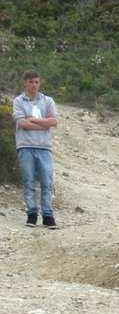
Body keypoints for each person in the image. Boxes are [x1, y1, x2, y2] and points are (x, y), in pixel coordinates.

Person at [13, 70, 59, 229]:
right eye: (31, 82)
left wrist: (33, 120)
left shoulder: (48, 101)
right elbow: (22, 124)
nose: (34, 85)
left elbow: (53, 121)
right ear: (25, 83)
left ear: (40, 83)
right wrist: (42, 124)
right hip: (25, 146)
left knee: (47, 180)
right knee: (29, 180)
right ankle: (31, 214)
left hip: (44, 147)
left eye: (36, 82)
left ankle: (48, 215)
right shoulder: (19, 101)